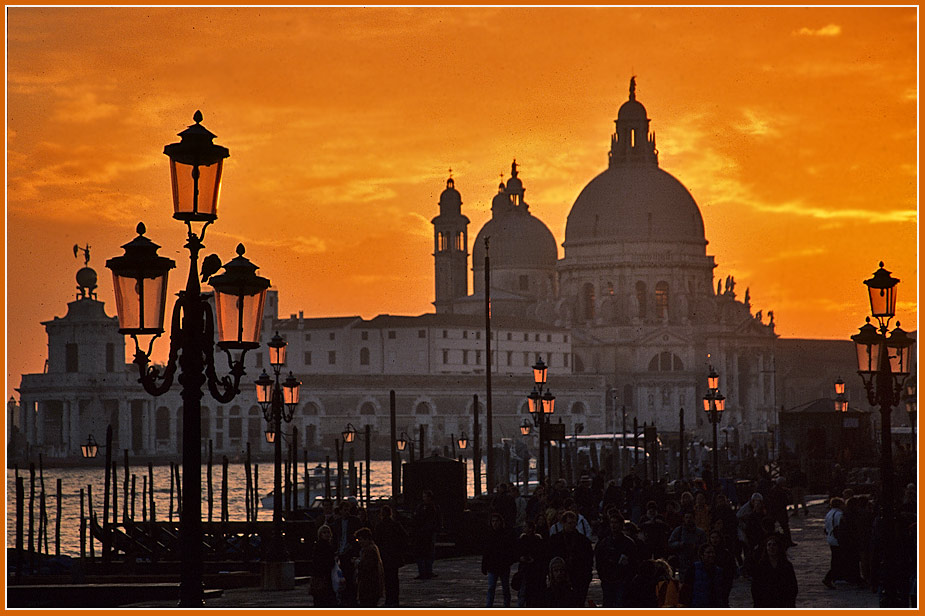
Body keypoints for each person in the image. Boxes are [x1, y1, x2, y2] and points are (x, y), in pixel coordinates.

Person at [546, 510, 594, 605]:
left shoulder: (583, 541)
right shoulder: (555, 540)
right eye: (570, 523)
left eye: (574, 523)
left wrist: (586, 576)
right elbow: (549, 557)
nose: (572, 525)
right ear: (563, 523)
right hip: (560, 578)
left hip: (578, 577)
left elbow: (588, 560)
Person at [594, 511, 638, 607]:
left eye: (616, 523)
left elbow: (634, 563)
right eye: (612, 522)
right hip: (607, 579)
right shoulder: (604, 543)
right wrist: (602, 575)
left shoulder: (628, 544)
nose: (613, 525)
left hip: (622, 580)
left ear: (621, 525)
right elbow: (599, 560)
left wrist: (627, 578)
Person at [372, 505, 408, 607]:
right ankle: (395, 600)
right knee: (394, 579)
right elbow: (404, 537)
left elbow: (376, 540)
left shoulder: (379, 526)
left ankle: (389, 600)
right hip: (394, 555)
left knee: (387, 579)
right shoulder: (395, 524)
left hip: (384, 555)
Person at [481, 512, 518, 607]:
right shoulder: (489, 535)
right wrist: (484, 565)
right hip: (492, 565)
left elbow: (510, 550)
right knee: (491, 588)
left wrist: (509, 561)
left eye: (496, 521)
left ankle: (506, 607)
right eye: (493, 521)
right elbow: (486, 552)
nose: (495, 523)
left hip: (503, 565)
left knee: (505, 589)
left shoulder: (505, 535)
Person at [751, 534, 798, 607]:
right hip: (766, 603)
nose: (771, 547)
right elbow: (755, 587)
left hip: (782, 602)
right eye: (769, 545)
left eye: (774, 545)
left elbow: (793, 586)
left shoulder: (786, 565)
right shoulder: (761, 566)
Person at [680, 543, 725, 607]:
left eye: (713, 552)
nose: (711, 555)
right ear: (702, 555)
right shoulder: (693, 569)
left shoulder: (718, 571)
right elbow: (686, 589)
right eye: (708, 553)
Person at [515, 518, 547, 607]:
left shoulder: (537, 540)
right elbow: (516, 552)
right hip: (524, 569)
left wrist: (534, 559)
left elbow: (541, 554)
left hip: (534, 570)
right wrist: (520, 558)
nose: (523, 528)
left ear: (530, 528)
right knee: (523, 592)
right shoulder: (522, 539)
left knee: (530, 592)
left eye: (525, 526)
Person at [412, 489, 441, 580]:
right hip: (421, 533)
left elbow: (436, 520)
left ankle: (428, 571)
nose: (424, 498)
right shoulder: (420, 507)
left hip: (429, 533)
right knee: (421, 553)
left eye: (425, 497)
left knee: (429, 553)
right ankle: (422, 572)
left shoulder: (433, 507)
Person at [668, 510, 707, 575]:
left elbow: (704, 546)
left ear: (694, 518)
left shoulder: (700, 532)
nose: (688, 520)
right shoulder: (678, 530)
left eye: (690, 517)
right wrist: (680, 544)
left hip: (696, 561)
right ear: (684, 518)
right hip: (682, 562)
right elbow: (670, 543)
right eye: (686, 517)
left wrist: (696, 547)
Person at [354, 528, 385, 607]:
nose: (359, 542)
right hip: (372, 586)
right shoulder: (372, 548)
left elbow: (367, 566)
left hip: (369, 586)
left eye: (360, 539)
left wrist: (358, 562)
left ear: (367, 539)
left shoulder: (369, 550)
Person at [309, 524, 338, 607]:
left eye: (328, 532)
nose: (326, 534)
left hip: (320, 575)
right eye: (324, 532)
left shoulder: (319, 546)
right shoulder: (325, 546)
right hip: (324, 576)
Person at [823, 497, 846, 588]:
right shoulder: (839, 514)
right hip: (837, 539)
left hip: (831, 538)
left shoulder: (829, 513)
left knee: (835, 559)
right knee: (838, 560)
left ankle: (837, 577)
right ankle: (829, 577)